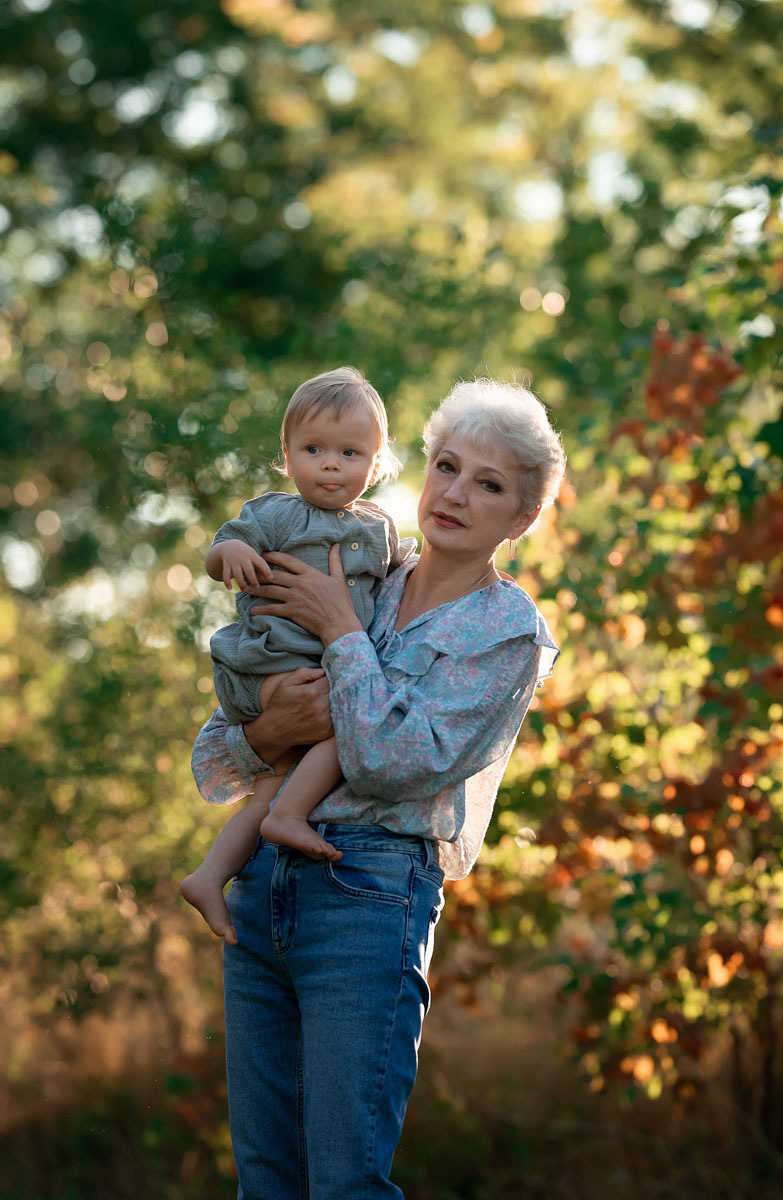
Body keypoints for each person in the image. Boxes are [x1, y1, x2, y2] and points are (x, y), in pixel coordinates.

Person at [190, 377, 566, 1199]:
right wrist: (267, 729)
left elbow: (397, 761)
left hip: (367, 895)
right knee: (266, 1181)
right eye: (446, 466)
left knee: (345, 1182)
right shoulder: (360, 567)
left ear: (522, 516)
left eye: (489, 484)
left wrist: (340, 635)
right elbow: (219, 758)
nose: (456, 494)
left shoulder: (506, 632)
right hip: (260, 885)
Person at [181, 367, 413, 945]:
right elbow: (221, 548)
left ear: (377, 464)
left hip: (320, 670)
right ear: (287, 456)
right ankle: (288, 818)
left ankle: (211, 874)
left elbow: (397, 577)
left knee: (272, 784)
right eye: (314, 449)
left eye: (350, 452)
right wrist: (231, 551)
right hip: (263, 666)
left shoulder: (378, 527)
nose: (331, 464)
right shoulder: (276, 515)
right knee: (349, 720)